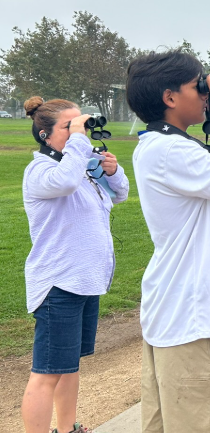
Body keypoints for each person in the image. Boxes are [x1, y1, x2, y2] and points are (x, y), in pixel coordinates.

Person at [127, 51, 210, 433]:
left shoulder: (158, 144)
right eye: (197, 86)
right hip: (188, 317)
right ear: (170, 97)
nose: (205, 92)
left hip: (169, 307)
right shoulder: (173, 151)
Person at [20, 97, 129, 433]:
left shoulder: (79, 165)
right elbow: (64, 182)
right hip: (58, 284)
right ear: (44, 135)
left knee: (68, 367)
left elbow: (119, 194)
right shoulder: (41, 170)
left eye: (79, 123)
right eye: (69, 126)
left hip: (84, 281)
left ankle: (67, 428)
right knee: (47, 373)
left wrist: (113, 170)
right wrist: (80, 142)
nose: (78, 130)